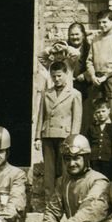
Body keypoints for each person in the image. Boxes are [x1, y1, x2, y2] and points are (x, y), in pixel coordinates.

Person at [41, 134, 110, 222]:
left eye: (76, 158)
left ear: (86, 158)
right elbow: (53, 209)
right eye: (67, 159)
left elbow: (91, 209)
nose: (71, 163)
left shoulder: (99, 181)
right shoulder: (62, 182)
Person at [34, 61, 82, 202]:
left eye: (59, 76)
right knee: (49, 172)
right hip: (48, 135)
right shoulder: (46, 93)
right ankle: (49, 201)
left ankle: (66, 200)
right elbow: (40, 115)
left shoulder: (74, 94)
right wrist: (37, 137)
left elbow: (76, 118)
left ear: (66, 74)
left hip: (65, 136)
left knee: (65, 169)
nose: (57, 79)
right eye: (54, 76)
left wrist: (74, 139)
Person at [86, 9, 112, 129]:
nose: (101, 25)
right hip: (97, 79)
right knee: (97, 114)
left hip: (111, 78)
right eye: (99, 22)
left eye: (104, 22)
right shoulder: (95, 39)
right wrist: (93, 76)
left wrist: (106, 76)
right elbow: (89, 60)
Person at [85, 98, 112, 180]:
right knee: (95, 178)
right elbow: (87, 143)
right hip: (94, 160)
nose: (101, 114)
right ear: (95, 114)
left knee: (108, 179)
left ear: (109, 110)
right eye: (98, 112)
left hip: (108, 160)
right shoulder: (91, 128)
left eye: (103, 111)